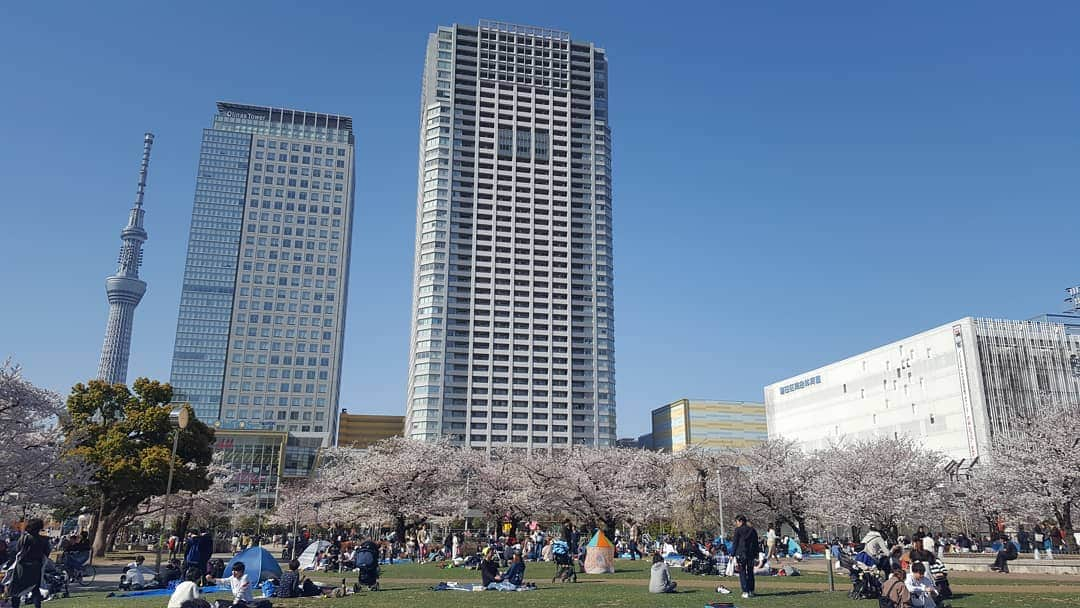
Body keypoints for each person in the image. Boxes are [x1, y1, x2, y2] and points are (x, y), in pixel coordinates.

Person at [8, 519, 50, 608]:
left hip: (22, 567)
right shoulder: (44, 540)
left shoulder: (25, 538)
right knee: (35, 589)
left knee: (16, 590)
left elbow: (18, 550)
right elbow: (46, 553)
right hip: (36, 566)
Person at [731, 515, 759, 599]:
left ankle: (745, 591)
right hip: (751, 554)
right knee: (750, 572)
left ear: (741, 521)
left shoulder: (738, 530)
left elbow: (735, 543)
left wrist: (732, 554)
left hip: (741, 554)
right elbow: (756, 543)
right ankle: (751, 590)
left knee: (742, 572)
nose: (736, 524)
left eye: (737, 522)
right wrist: (756, 554)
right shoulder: (752, 530)